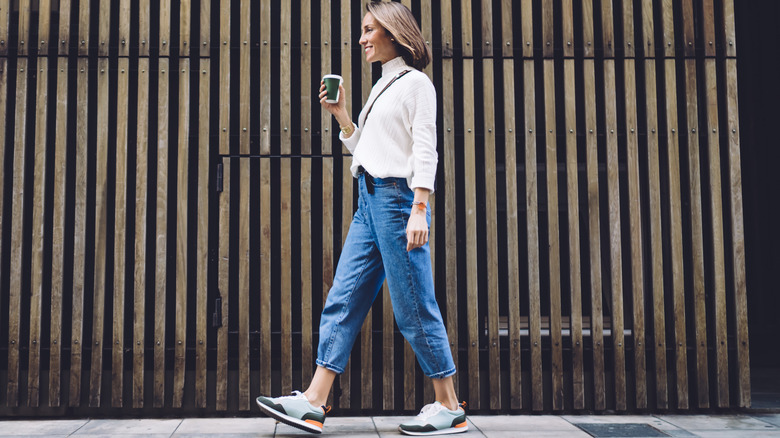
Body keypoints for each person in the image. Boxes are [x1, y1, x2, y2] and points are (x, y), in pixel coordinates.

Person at [255, 2, 466, 435]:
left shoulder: (416, 84)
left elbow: (426, 150)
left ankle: (449, 405)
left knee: (413, 307)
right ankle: (314, 401)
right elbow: (369, 152)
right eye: (363, 31)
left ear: (394, 33)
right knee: (344, 298)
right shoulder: (382, 86)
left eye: (370, 30)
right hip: (369, 203)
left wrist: (420, 207)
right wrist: (342, 116)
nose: (363, 38)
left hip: (397, 202)